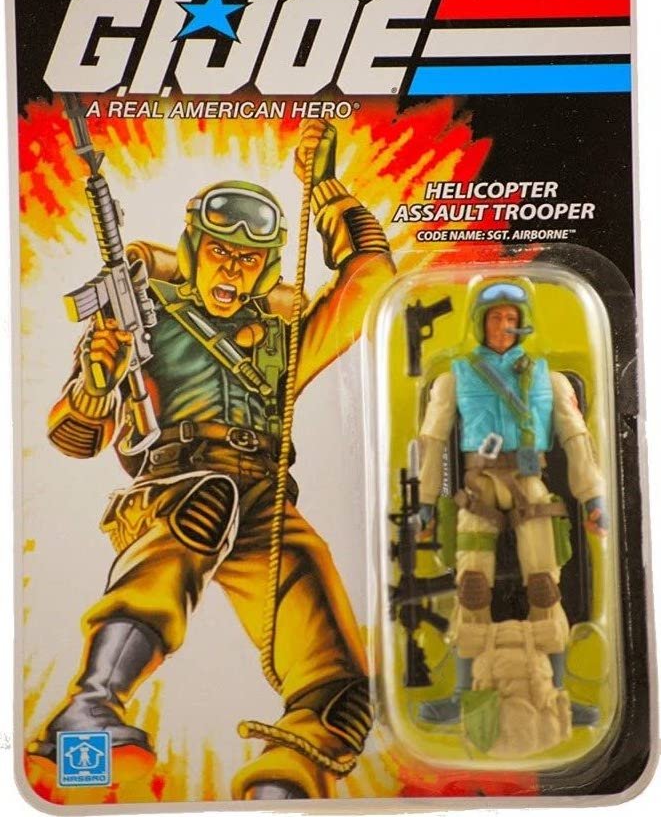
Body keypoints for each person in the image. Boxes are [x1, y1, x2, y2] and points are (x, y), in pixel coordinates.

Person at [27, 119, 395, 800]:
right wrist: (96, 383)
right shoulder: (145, 314)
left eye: (249, 258)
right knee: (206, 504)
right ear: (194, 247)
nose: (232, 269)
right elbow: (73, 438)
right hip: (175, 486)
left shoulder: (280, 338)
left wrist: (328, 189)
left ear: (269, 264)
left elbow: (370, 281)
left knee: (341, 691)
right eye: (220, 251)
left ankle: (284, 787)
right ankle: (90, 706)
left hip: (264, 500)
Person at [415, 281, 608, 726]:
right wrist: (424, 502)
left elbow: (577, 439)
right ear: (479, 323)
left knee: (545, 586)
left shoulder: (550, 379)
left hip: (531, 485)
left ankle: (556, 692)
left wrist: (593, 495)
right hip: (478, 487)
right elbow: (431, 442)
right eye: (495, 318)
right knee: (471, 587)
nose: (504, 325)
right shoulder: (453, 378)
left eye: (511, 318)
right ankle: (465, 695)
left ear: (524, 325)